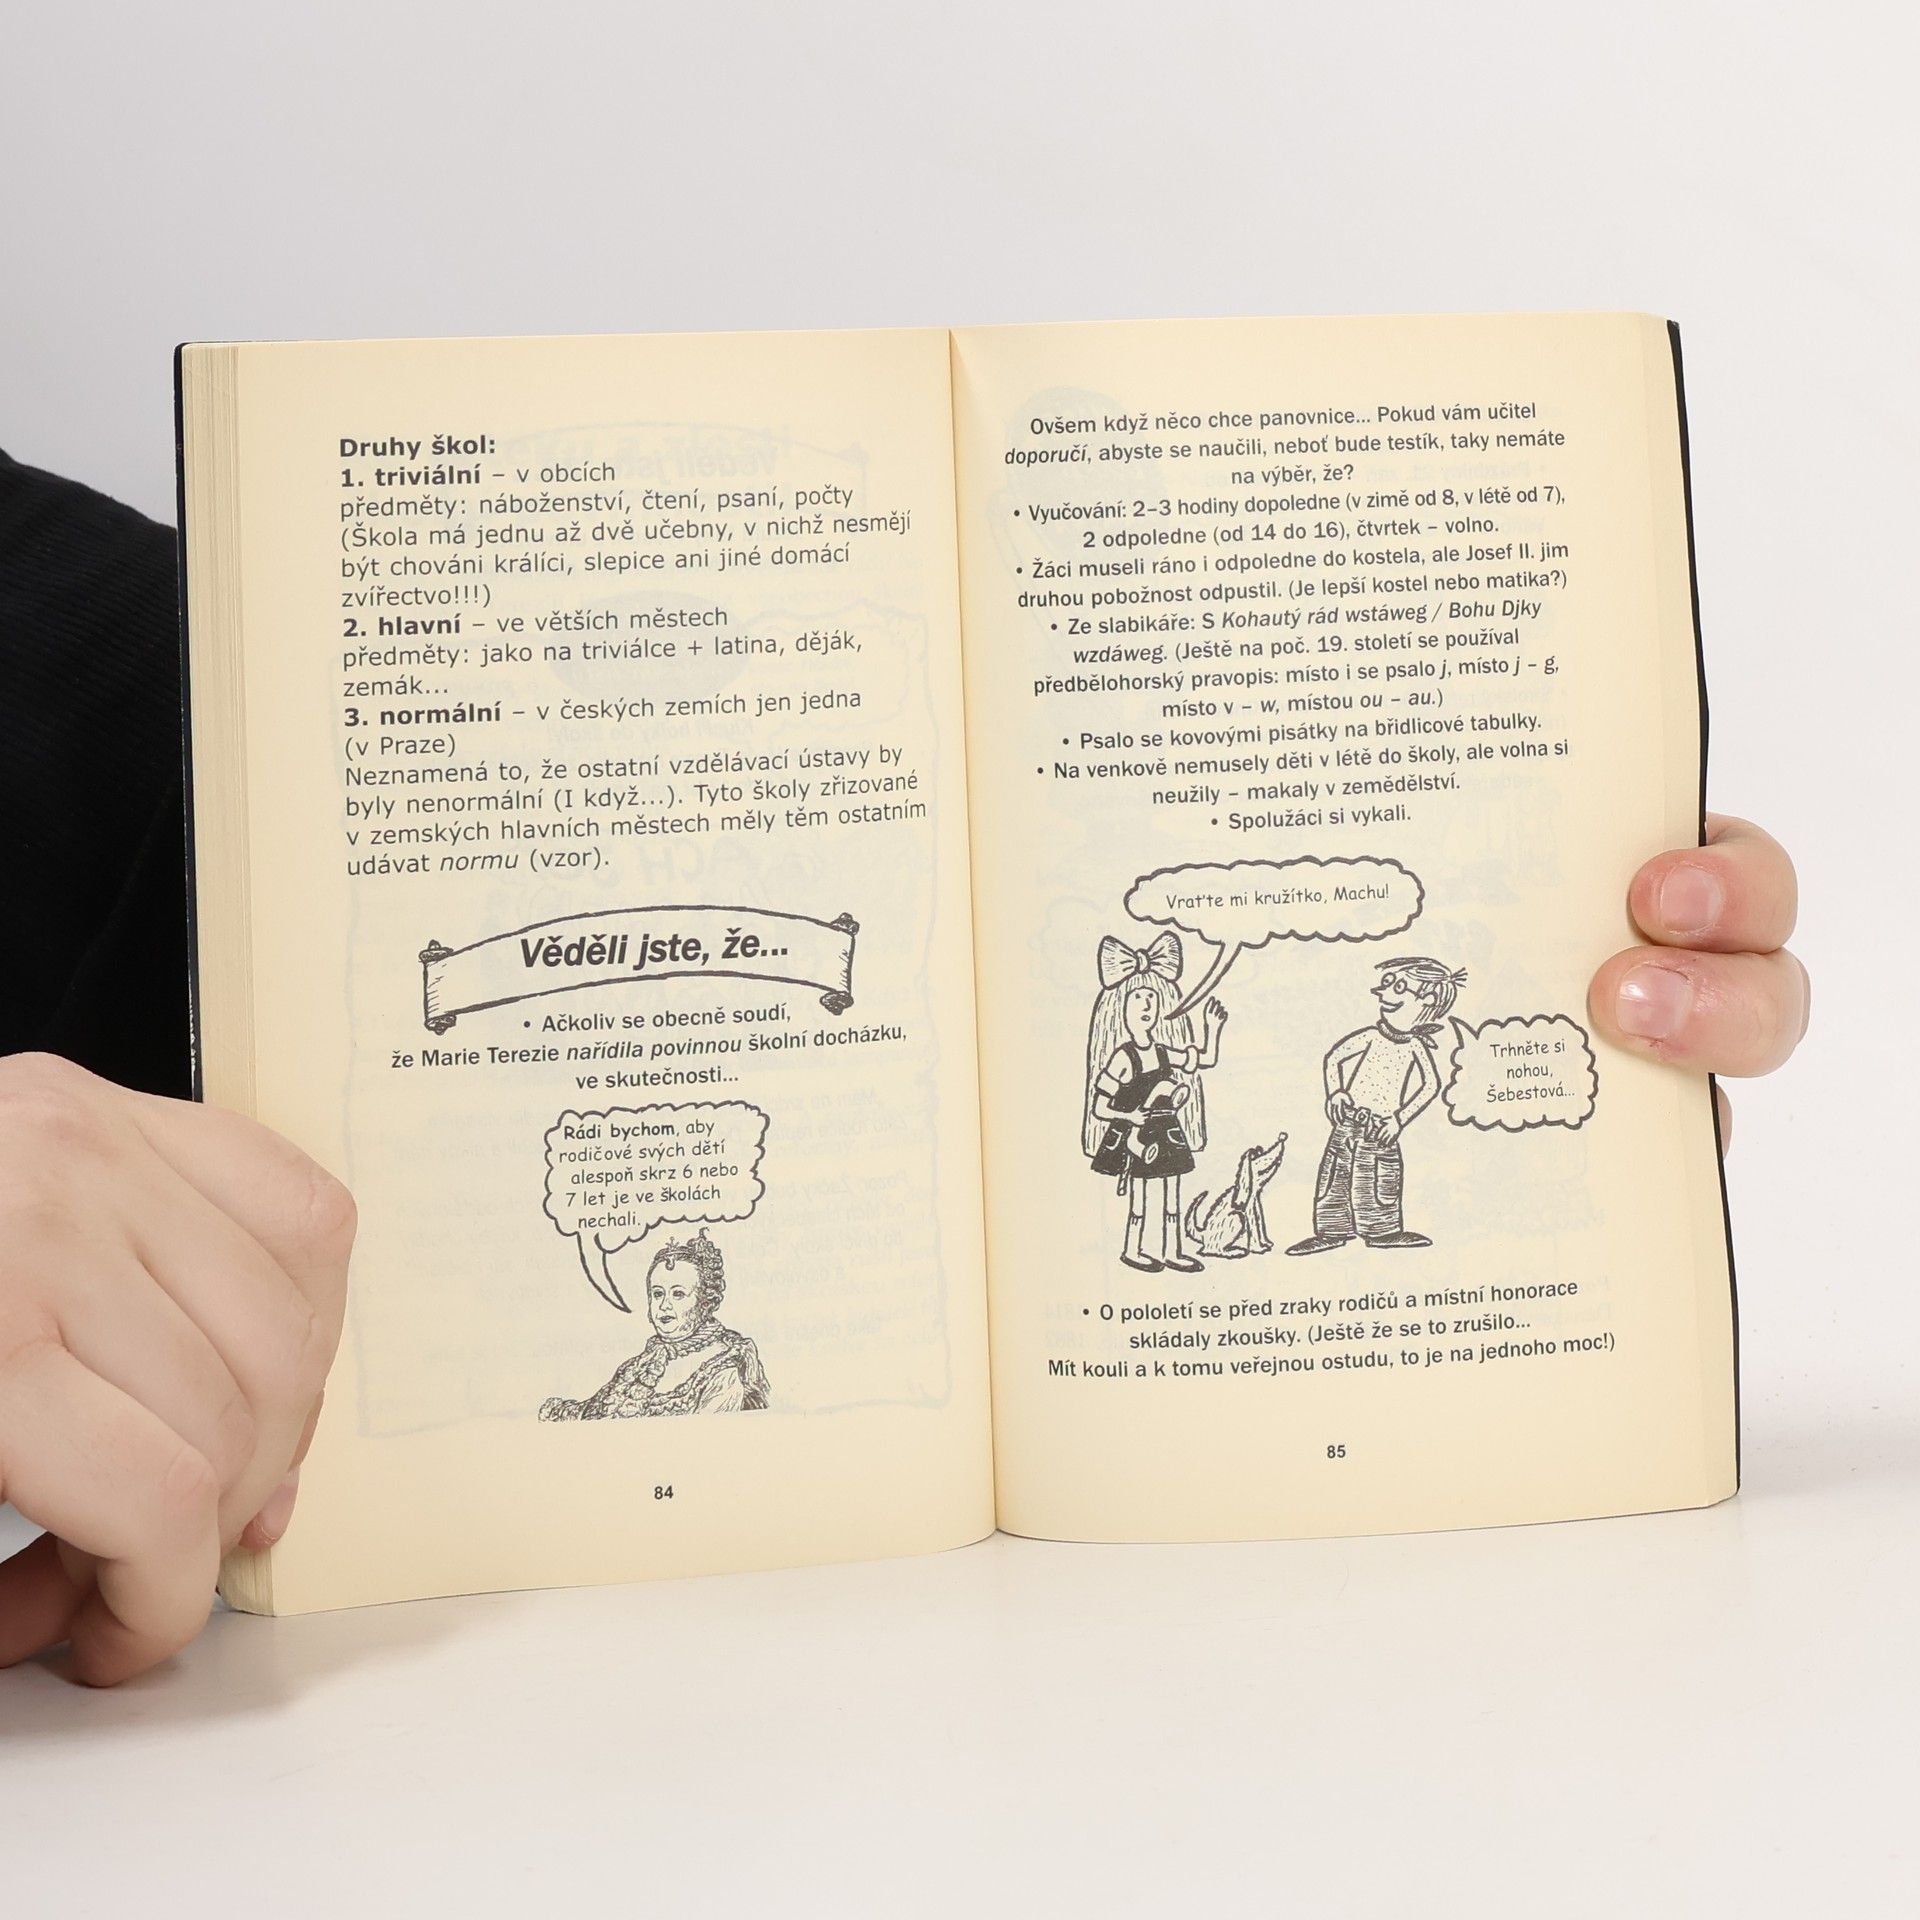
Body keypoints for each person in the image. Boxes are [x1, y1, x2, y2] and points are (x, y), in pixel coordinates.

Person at [0, 453, 1811, 1682]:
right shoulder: (1161, 1017)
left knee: (1234, 1189)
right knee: (1177, 1185)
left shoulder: (115, 658)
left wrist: (1526, 883)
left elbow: (172, 812)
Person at [1287, 955, 1467, 1256]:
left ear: (1427, 1000)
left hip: (1381, 1128)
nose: (1382, 993)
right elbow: (1334, 1059)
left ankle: (1383, 1231)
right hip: (1348, 1122)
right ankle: (1331, 1231)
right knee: (1336, 1176)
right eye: (1386, 983)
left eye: (1398, 986)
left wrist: (1398, 1120)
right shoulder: (1371, 1036)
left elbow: (1430, 1086)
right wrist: (1337, 1093)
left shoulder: (1415, 1046)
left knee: (1380, 1179)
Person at [1084, 933, 1227, 1273]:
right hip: (1138, 1134)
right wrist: (1129, 1116)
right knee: (1139, 1197)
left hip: (1166, 1131)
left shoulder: (1162, 1051)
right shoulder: (1123, 1057)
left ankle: (1173, 1251)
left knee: (1172, 1194)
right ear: (1121, 1008)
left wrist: (1212, 1028)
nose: (1146, 1006)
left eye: (1151, 998)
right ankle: (1133, 1250)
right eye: (1138, 999)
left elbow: (1205, 1059)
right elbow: (1099, 1107)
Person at [538, 1230, 771, 1419]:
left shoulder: (724, 1370)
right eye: (658, 1294)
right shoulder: (641, 1363)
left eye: (678, 1294)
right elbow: (593, 1414)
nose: (664, 1306)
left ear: (705, 1302)